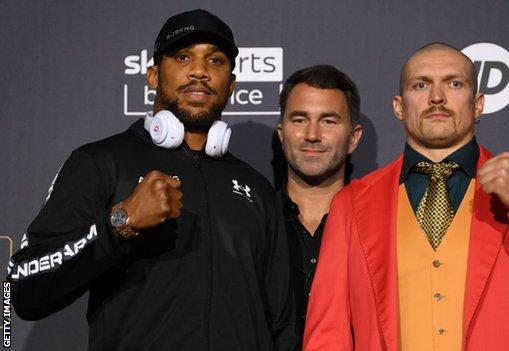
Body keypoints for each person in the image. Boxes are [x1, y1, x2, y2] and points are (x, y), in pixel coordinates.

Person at [7, 9, 295, 351]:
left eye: (215, 61)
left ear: (231, 85)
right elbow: (24, 287)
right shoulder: (101, 163)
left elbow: (282, 324)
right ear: (154, 76)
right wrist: (118, 224)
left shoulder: (256, 188)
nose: (200, 71)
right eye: (183, 56)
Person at [303, 42, 509, 351]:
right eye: (420, 85)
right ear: (399, 106)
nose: (437, 97)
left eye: (454, 83)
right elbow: (327, 336)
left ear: (478, 103)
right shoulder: (352, 204)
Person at [276, 64, 363, 346]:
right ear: (281, 133)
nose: (312, 134)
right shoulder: (251, 221)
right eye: (299, 120)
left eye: (328, 121)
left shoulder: (378, 226)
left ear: (353, 138)